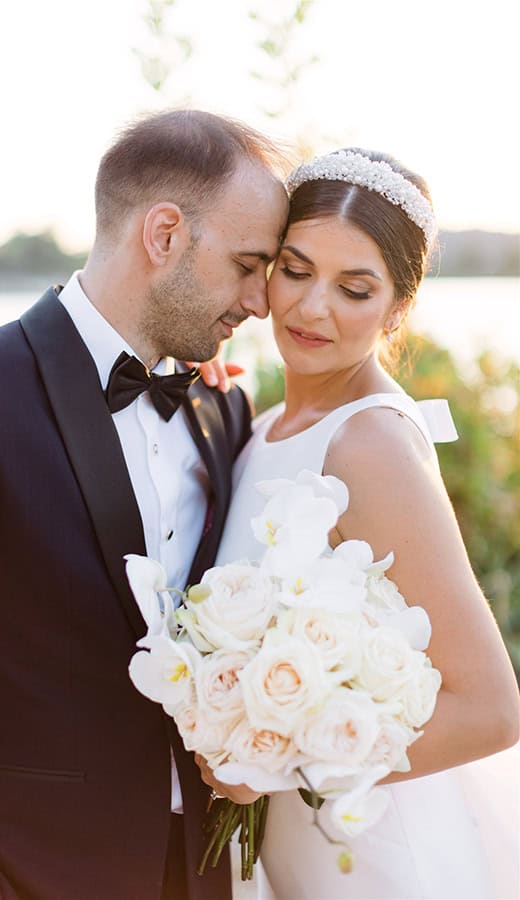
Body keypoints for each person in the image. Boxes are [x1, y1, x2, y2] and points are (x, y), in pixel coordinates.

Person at [0, 109, 288, 900]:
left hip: (193, 870)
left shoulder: (222, 410)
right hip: (20, 875)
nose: (262, 302)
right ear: (164, 236)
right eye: (247, 264)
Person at [210, 149, 520, 899]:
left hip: (367, 856)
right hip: (295, 844)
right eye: (295, 268)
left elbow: (490, 709)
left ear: (398, 308)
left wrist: (277, 758)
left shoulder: (369, 443)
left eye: (354, 288)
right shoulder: (270, 422)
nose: (312, 308)